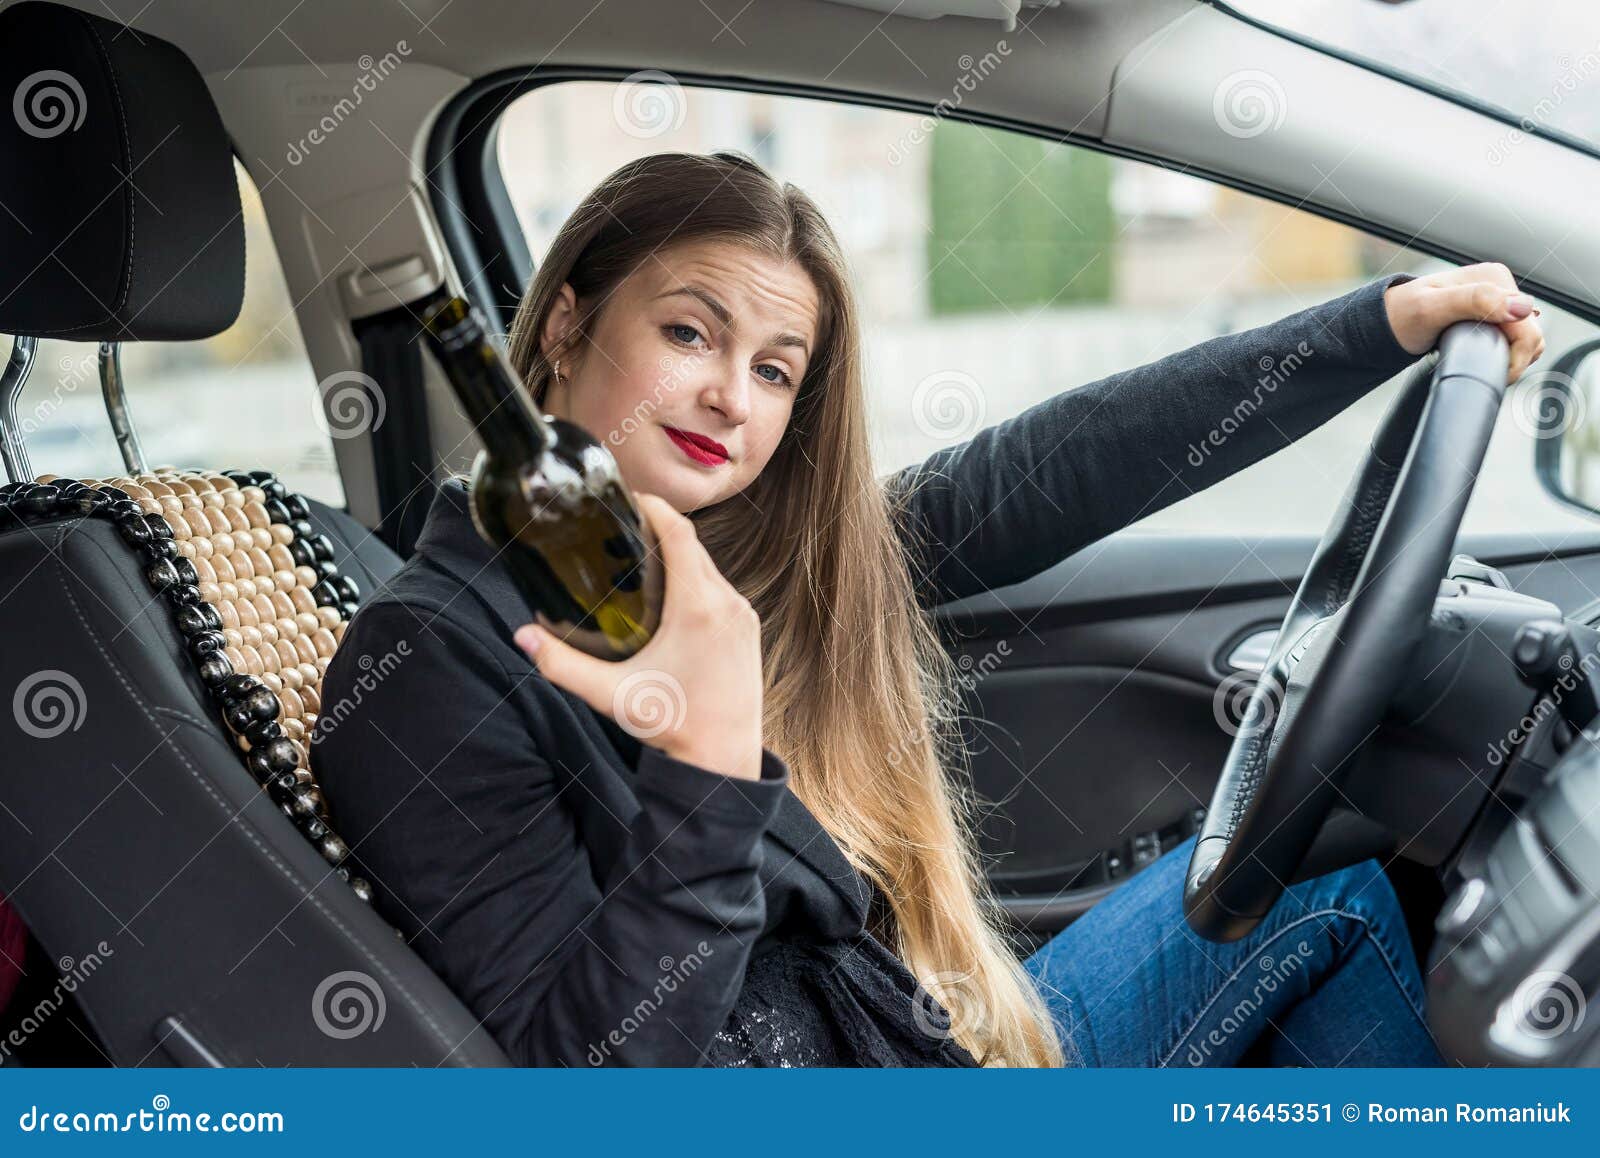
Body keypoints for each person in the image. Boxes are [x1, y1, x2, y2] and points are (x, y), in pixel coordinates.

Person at [310, 150, 1545, 1067]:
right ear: (569, 324)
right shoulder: (426, 657)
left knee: (1327, 890)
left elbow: (1059, 466)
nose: (729, 396)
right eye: (690, 331)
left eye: (775, 369)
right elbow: (593, 1083)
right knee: (1335, 911)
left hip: (914, 1054)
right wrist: (704, 769)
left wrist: (1377, 325)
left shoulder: (712, 569)